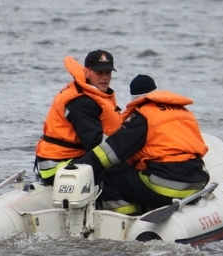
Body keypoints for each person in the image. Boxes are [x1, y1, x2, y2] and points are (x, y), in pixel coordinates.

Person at [73, 74, 209, 215]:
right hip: (196, 181)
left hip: (166, 185)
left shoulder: (143, 115)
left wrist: (80, 166)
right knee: (130, 171)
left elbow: (112, 151)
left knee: (110, 179)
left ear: (135, 99)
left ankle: (128, 221)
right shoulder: (183, 112)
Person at [35, 49, 123, 185]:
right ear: (87, 72)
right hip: (58, 165)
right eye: (99, 72)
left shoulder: (89, 93)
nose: (105, 77)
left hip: (67, 158)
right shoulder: (81, 102)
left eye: (108, 72)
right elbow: (94, 143)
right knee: (120, 171)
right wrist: (127, 145)